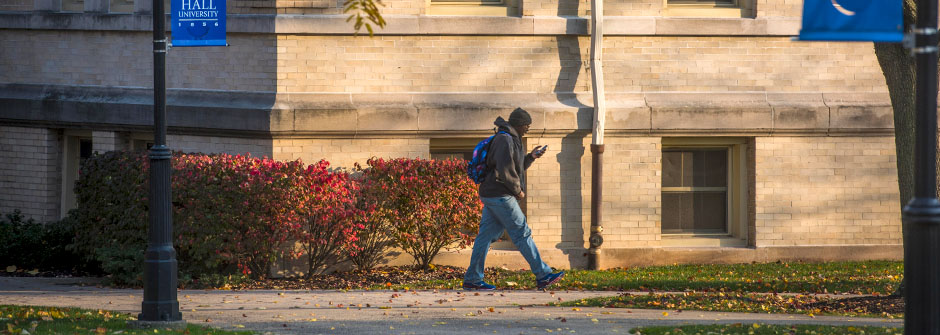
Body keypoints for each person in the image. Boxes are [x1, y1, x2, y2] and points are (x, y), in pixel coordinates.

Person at [463, 107, 565, 291]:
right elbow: (505, 170)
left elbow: (515, 167)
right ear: (519, 124)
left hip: (493, 194)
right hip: (500, 195)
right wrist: (517, 191)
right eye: (527, 125)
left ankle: (472, 279)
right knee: (521, 233)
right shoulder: (504, 140)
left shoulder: (511, 139)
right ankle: (543, 275)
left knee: (485, 237)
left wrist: (531, 157)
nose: (528, 128)